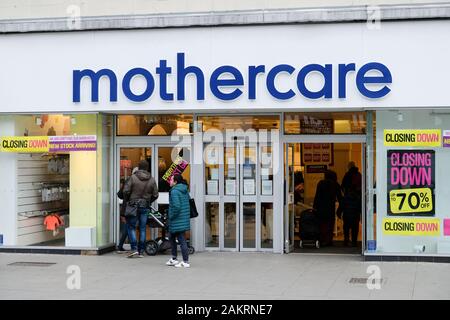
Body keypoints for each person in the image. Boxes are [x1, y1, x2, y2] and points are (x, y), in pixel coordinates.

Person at [123, 160, 159, 258]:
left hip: (133, 206)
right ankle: (141, 251)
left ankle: (134, 248)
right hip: (145, 206)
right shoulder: (152, 179)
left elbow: (125, 191)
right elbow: (156, 195)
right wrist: (148, 201)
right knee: (143, 228)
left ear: (138, 167)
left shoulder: (133, 178)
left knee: (131, 227)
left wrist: (130, 198)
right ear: (147, 168)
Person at [165, 174, 191, 268]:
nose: (170, 181)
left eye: (171, 180)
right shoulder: (184, 190)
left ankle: (185, 261)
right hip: (182, 218)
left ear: (175, 182)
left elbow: (176, 206)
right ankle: (174, 258)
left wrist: (170, 216)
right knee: (171, 237)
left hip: (177, 219)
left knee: (181, 239)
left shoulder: (175, 191)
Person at [313, 170, 343, 247]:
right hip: (330, 207)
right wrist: (340, 209)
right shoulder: (336, 184)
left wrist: (314, 207)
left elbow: (317, 196)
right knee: (330, 224)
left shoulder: (321, 183)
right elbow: (340, 198)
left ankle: (322, 239)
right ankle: (329, 240)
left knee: (322, 224)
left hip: (320, 207)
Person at [116, 167, 138, 253]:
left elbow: (120, 194)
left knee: (128, 227)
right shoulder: (144, 182)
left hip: (128, 208)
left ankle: (123, 245)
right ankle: (133, 246)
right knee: (131, 227)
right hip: (138, 208)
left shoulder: (128, 181)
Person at [340, 162, 362, 247]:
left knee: (346, 224)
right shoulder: (359, 175)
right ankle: (354, 241)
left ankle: (346, 240)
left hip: (347, 202)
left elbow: (342, 186)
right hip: (357, 202)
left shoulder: (347, 175)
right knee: (355, 225)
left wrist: (345, 194)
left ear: (349, 167)